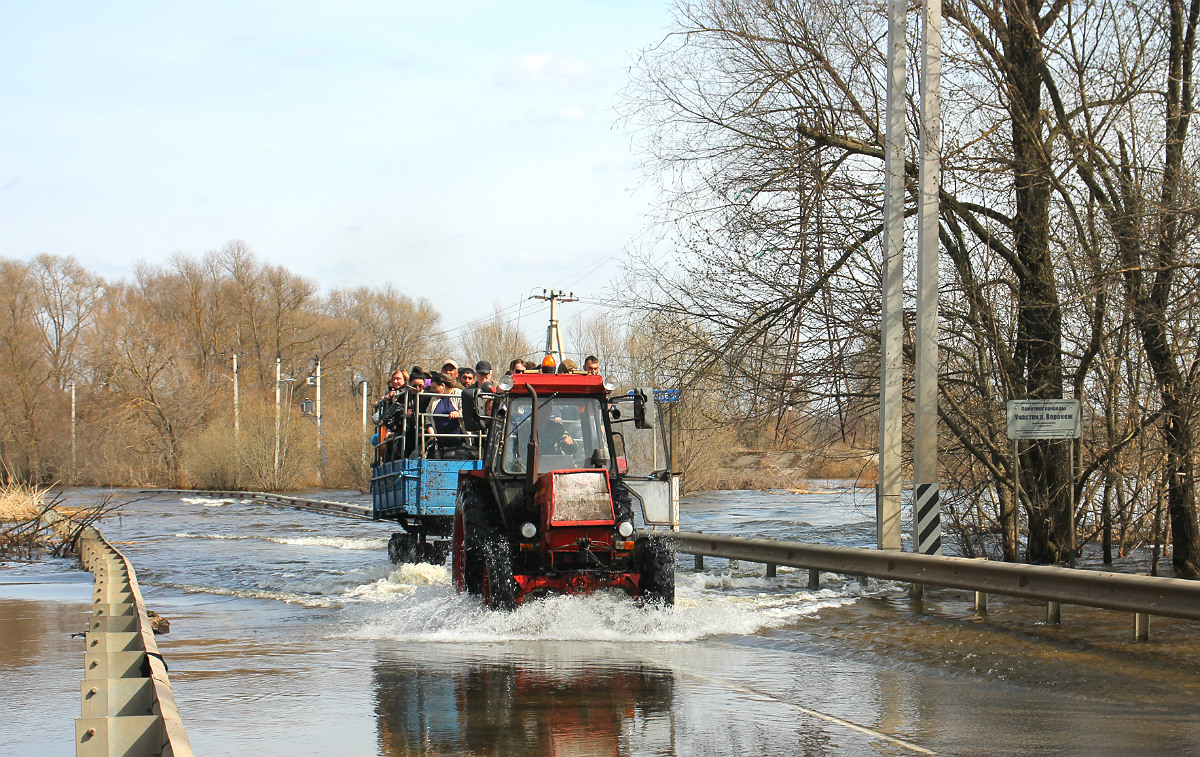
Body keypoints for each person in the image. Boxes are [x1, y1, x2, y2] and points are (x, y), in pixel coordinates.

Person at [424, 372, 465, 455]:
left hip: (459, 443)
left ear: (442, 385)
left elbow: (466, 410)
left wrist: (458, 413)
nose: (432, 390)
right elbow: (427, 418)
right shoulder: (434, 399)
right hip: (440, 444)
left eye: (434, 388)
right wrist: (431, 434)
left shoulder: (458, 393)